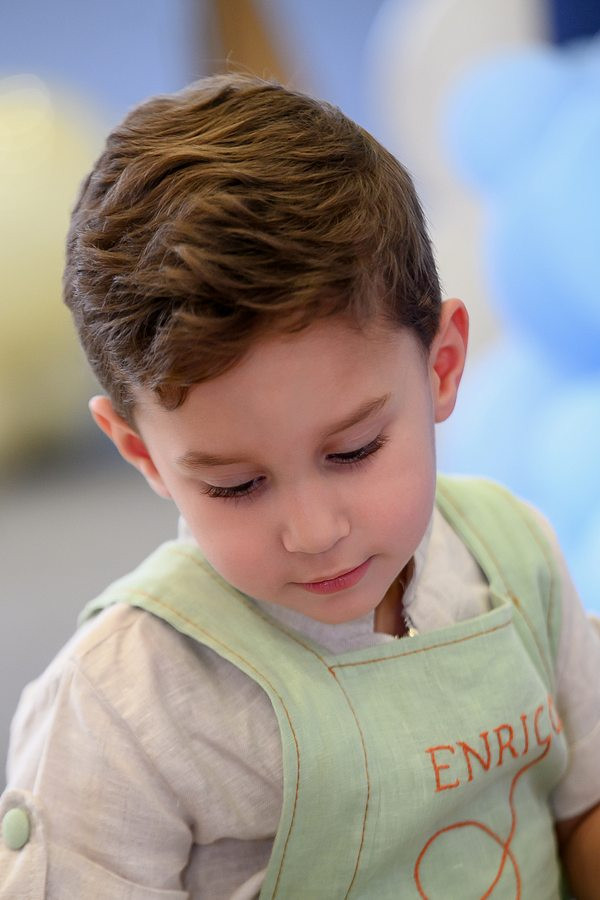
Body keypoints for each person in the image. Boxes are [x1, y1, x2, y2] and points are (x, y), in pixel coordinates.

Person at [1, 74, 599, 899]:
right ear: (142, 454)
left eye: (354, 451)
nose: (315, 532)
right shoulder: (121, 707)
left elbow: (583, 806)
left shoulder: (513, 559)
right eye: (238, 486)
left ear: (442, 367)